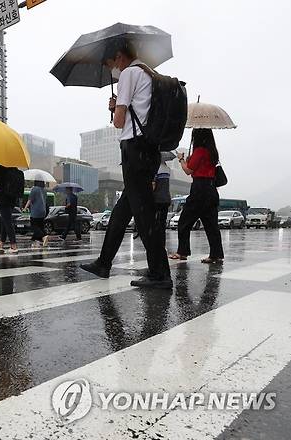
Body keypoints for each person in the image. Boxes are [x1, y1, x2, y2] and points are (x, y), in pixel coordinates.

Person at [80, 39, 171, 289]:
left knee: (144, 215)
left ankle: (160, 273)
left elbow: (119, 122)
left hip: (135, 149)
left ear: (119, 57)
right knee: (123, 211)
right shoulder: (149, 74)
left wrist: (115, 107)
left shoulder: (130, 73)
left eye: (111, 64)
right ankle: (104, 262)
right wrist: (122, 107)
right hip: (148, 149)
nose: (113, 69)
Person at [169, 129, 224, 263]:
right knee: (211, 225)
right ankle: (216, 254)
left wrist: (181, 159)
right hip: (211, 189)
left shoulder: (199, 151)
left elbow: (188, 170)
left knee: (184, 222)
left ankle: (182, 252)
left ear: (197, 137)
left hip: (199, 189)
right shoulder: (212, 152)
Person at [0, 165, 22, 253]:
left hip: (3, 197)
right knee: (5, 220)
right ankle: (1, 244)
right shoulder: (15, 168)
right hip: (13, 198)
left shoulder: (0, 166)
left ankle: (13, 245)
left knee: (7, 221)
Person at [153, 152, 176, 246]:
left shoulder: (156, 168)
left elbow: (153, 185)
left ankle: (155, 242)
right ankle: (162, 243)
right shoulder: (167, 169)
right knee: (162, 223)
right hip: (166, 198)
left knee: (154, 222)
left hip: (156, 199)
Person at [24, 180, 49, 247]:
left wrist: (25, 208)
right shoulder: (44, 190)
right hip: (43, 211)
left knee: (34, 226)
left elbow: (30, 200)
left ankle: (44, 236)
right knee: (40, 227)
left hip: (36, 211)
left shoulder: (34, 189)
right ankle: (36, 241)